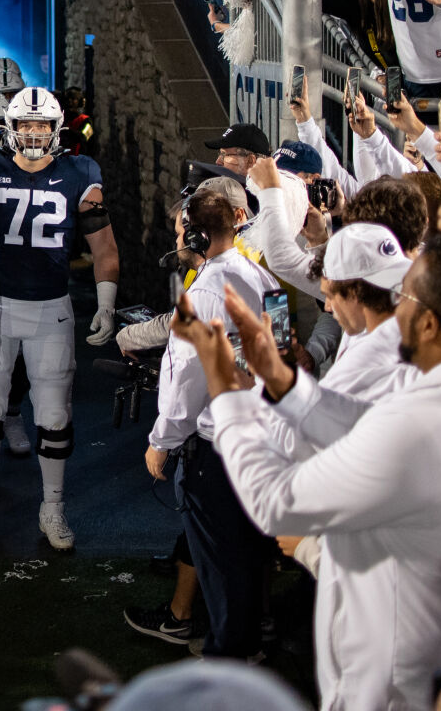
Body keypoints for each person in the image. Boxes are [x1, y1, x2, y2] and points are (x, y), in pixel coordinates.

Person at [177, 242, 441, 710]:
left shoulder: (426, 426)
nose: (397, 311)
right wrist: (282, 381)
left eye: (407, 301)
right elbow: (371, 428)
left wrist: (227, 392)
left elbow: (275, 501)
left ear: (431, 322)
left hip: (396, 679)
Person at [0, 87, 117, 551]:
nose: (33, 134)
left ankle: (53, 506)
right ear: (11, 129)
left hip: (51, 306)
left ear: (56, 130)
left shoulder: (80, 172)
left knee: (53, 413)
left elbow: (104, 246)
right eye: (26, 126)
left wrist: (106, 302)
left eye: (42, 126)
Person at [146, 187, 281, 661]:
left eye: (182, 229)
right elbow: (281, 346)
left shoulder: (202, 289)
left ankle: (231, 657)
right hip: (263, 430)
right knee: (249, 550)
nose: (177, 237)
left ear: (199, 234)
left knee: (224, 561)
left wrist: (161, 440)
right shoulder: (257, 273)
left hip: (217, 444)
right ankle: (251, 641)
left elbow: (189, 377)